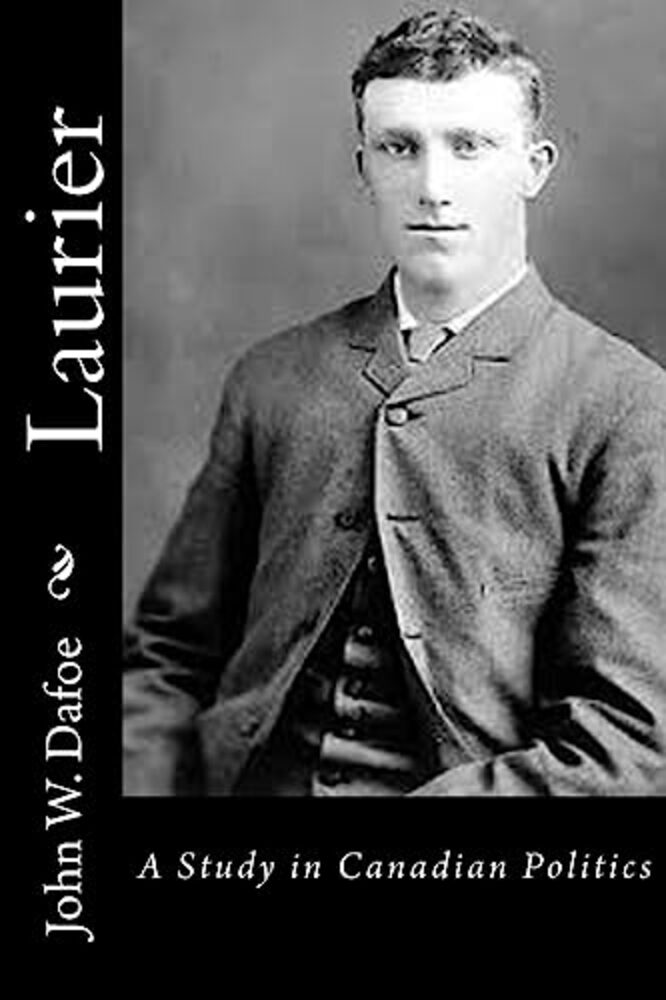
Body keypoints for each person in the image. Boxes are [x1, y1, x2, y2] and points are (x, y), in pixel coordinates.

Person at [123, 8, 666, 796]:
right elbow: (168, 661)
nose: (433, 187)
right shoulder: (272, 377)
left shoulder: (624, 405)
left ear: (535, 167)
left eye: (469, 146)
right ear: (364, 167)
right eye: (400, 147)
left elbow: (626, 745)